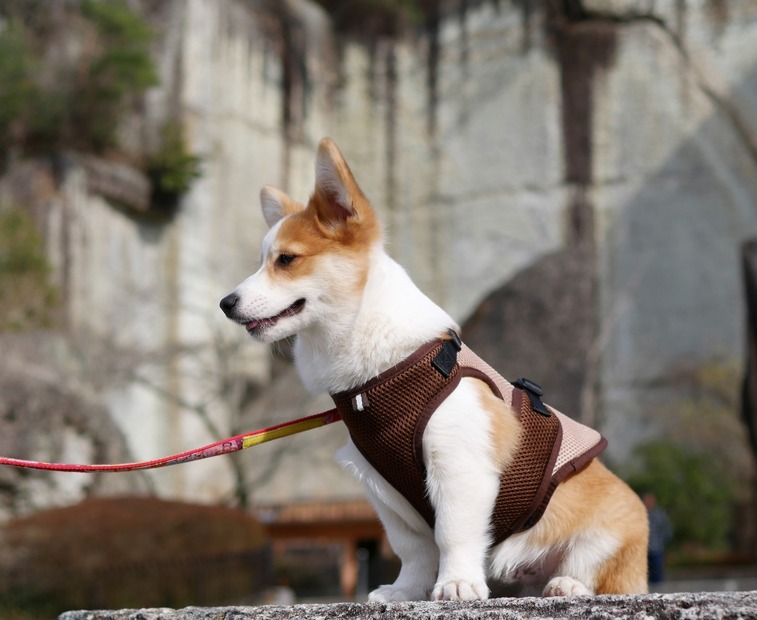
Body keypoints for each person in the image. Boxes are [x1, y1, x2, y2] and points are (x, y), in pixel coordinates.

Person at [643, 492, 673, 584]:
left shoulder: (660, 514)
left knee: (657, 575)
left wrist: (661, 543)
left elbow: (667, 531)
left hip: (656, 549)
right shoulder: (640, 514)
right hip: (643, 550)